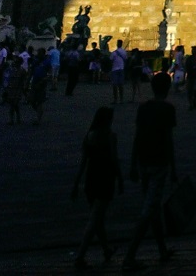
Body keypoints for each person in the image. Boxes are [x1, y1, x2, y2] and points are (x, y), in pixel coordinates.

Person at [122, 71, 177, 270]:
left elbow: (137, 135)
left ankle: (162, 250)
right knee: (148, 210)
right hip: (159, 163)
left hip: (143, 162)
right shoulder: (168, 109)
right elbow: (169, 140)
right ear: (168, 88)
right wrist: (174, 168)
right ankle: (130, 256)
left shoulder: (143, 108)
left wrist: (132, 164)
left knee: (153, 207)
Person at [71, 105, 124, 268]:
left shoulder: (90, 136)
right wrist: (120, 178)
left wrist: (75, 184)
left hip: (91, 178)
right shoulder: (110, 136)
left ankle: (106, 249)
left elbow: (83, 162)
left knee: (98, 218)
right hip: (105, 178)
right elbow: (114, 160)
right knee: (95, 219)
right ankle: (80, 255)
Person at [184, 45, 196, 110]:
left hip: (195, 76)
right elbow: (186, 67)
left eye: (193, 50)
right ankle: (191, 103)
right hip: (190, 76)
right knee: (190, 90)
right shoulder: (189, 58)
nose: (192, 51)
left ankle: (193, 100)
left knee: (195, 90)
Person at [110, 40, 127, 105]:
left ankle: (115, 100)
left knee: (115, 86)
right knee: (121, 85)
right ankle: (121, 99)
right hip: (121, 69)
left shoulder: (114, 53)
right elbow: (125, 59)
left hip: (115, 69)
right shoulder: (124, 52)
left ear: (117, 44)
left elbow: (111, 60)